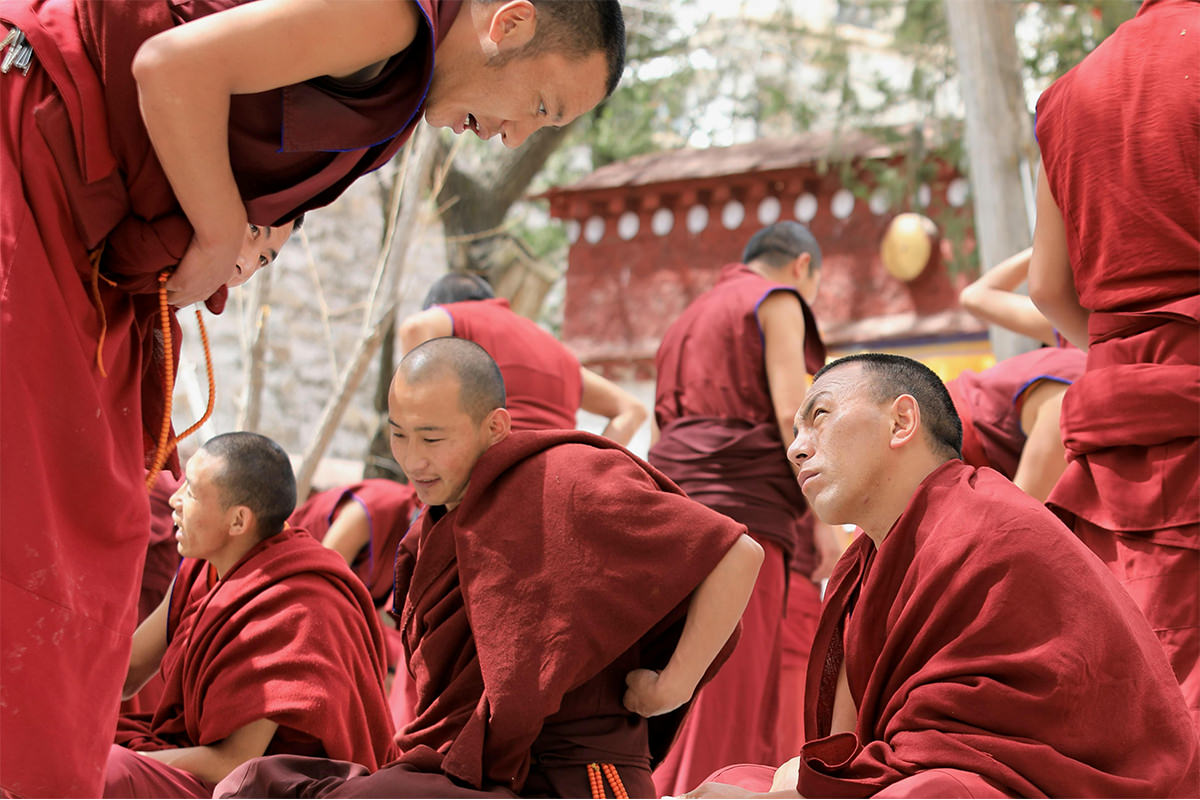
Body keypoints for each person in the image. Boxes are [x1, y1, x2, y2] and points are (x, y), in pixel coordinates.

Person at [0, 0, 625, 794]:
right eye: (540, 106)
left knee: (100, 520)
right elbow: (170, 65)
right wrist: (220, 232)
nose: (515, 137)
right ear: (509, 23)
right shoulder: (398, 17)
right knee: (61, 512)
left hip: (91, 216)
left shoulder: (401, 91)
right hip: (45, 142)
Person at [214, 337, 763, 798]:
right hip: (469, 773)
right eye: (399, 434)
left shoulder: (567, 479)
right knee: (261, 782)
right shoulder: (435, 524)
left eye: (432, 438)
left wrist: (671, 687)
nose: (413, 458)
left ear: (495, 426)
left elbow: (737, 553)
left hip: (578, 779)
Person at [684, 353, 1198, 799]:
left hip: (1078, 783)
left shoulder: (995, 524)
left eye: (819, 416)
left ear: (901, 421)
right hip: (923, 767)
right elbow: (846, 748)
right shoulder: (859, 566)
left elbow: (974, 743)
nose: (796, 448)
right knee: (737, 779)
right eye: (796, 434)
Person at [1028, 0, 1199, 730]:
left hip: (1114, 423)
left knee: (1142, 695)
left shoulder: (1066, 93)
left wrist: (1119, 351)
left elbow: (1046, 287)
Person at [106, 432, 397, 798]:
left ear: (239, 521)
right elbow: (127, 672)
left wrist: (121, 759)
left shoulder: (296, 608)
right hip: (197, 759)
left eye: (191, 492)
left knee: (109, 770)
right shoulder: (205, 568)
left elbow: (235, 762)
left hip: (264, 786)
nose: (174, 500)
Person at [647, 221, 827, 795]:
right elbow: (792, 415)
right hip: (744, 517)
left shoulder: (684, 319)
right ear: (801, 266)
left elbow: (661, 423)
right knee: (732, 686)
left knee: (680, 676)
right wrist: (822, 517)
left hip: (672, 511)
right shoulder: (777, 300)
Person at [399, 272, 648, 444]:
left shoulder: (458, 315)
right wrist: (594, 464)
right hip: (558, 482)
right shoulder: (556, 350)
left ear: (440, 306)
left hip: (491, 476)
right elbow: (632, 409)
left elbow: (414, 328)